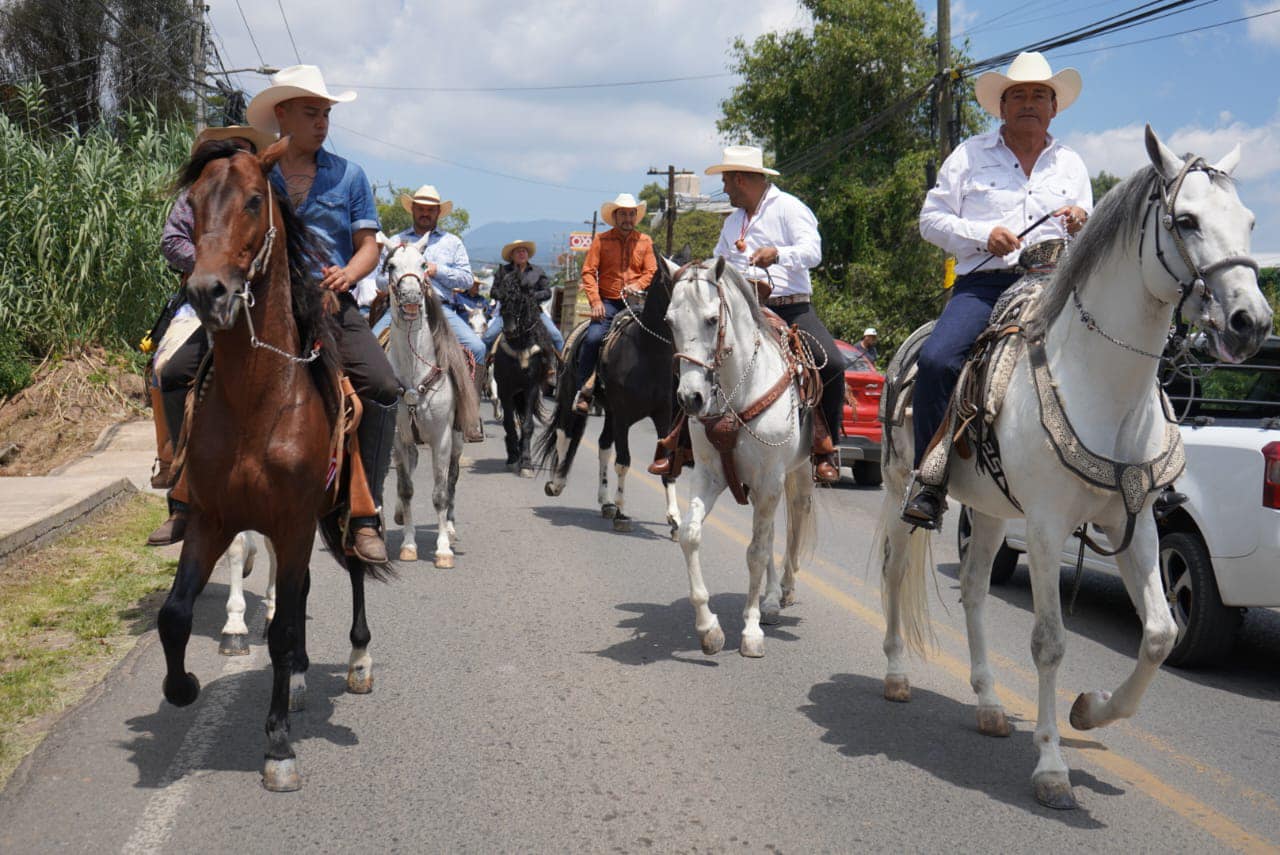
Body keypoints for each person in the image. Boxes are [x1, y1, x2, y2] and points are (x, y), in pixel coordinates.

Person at [903, 51, 1092, 529]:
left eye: (1039, 96)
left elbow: (1090, 231)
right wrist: (982, 235)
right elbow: (931, 220)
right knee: (937, 360)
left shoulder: (1071, 164)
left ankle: (1107, 472)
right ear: (1002, 107)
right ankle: (929, 479)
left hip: (1053, 285)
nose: (1029, 103)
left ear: (1054, 107)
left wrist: (1081, 220)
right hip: (984, 286)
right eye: (1019, 95)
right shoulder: (969, 155)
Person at [244, 64, 400, 562]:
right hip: (262, 305)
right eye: (312, 112)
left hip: (331, 304)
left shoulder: (349, 174)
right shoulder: (255, 170)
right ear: (281, 113)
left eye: (326, 113)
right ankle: (186, 495)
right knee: (184, 369)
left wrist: (350, 276)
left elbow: (368, 246)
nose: (322, 122)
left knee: (384, 387)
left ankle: (364, 510)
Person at [145, 123, 277, 547]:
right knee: (169, 372)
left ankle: (344, 494)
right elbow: (171, 241)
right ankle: (179, 489)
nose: (234, 156)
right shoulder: (195, 194)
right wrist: (206, 265)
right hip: (205, 297)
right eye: (226, 149)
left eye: (242, 149)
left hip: (263, 298)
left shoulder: (262, 193)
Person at [709, 145, 845, 483]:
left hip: (791, 307)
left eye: (726, 180)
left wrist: (778, 254)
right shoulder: (732, 222)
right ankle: (679, 443)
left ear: (740, 179)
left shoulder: (789, 208)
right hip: (743, 311)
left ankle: (825, 447)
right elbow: (718, 262)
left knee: (830, 362)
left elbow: (813, 251)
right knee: (694, 357)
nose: (724, 188)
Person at [376, 185, 486, 368]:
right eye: (420, 208)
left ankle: (470, 397)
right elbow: (379, 281)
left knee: (477, 348)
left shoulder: (452, 242)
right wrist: (401, 277)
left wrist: (437, 270)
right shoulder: (395, 241)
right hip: (399, 308)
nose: (425, 213)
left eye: (430, 209)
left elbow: (467, 279)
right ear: (412, 209)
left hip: (441, 310)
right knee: (370, 349)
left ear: (438, 212)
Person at [574, 193, 656, 414]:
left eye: (631, 214)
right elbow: (588, 272)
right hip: (609, 302)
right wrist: (595, 302)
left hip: (638, 303)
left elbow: (651, 271)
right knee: (592, 339)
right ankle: (584, 390)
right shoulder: (601, 240)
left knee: (662, 336)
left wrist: (638, 285)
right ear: (615, 216)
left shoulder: (645, 241)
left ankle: (664, 388)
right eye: (623, 214)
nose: (628, 218)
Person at [482, 239, 564, 352]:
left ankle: (563, 367)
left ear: (528, 254)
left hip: (534, 313)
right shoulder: (503, 271)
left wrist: (530, 296)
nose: (522, 254)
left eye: (524, 251)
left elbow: (547, 292)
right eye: (518, 251)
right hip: (508, 314)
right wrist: (508, 295)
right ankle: (482, 367)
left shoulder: (537, 271)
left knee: (556, 337)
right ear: (512, 255)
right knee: (487, 338)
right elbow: (493, 292)